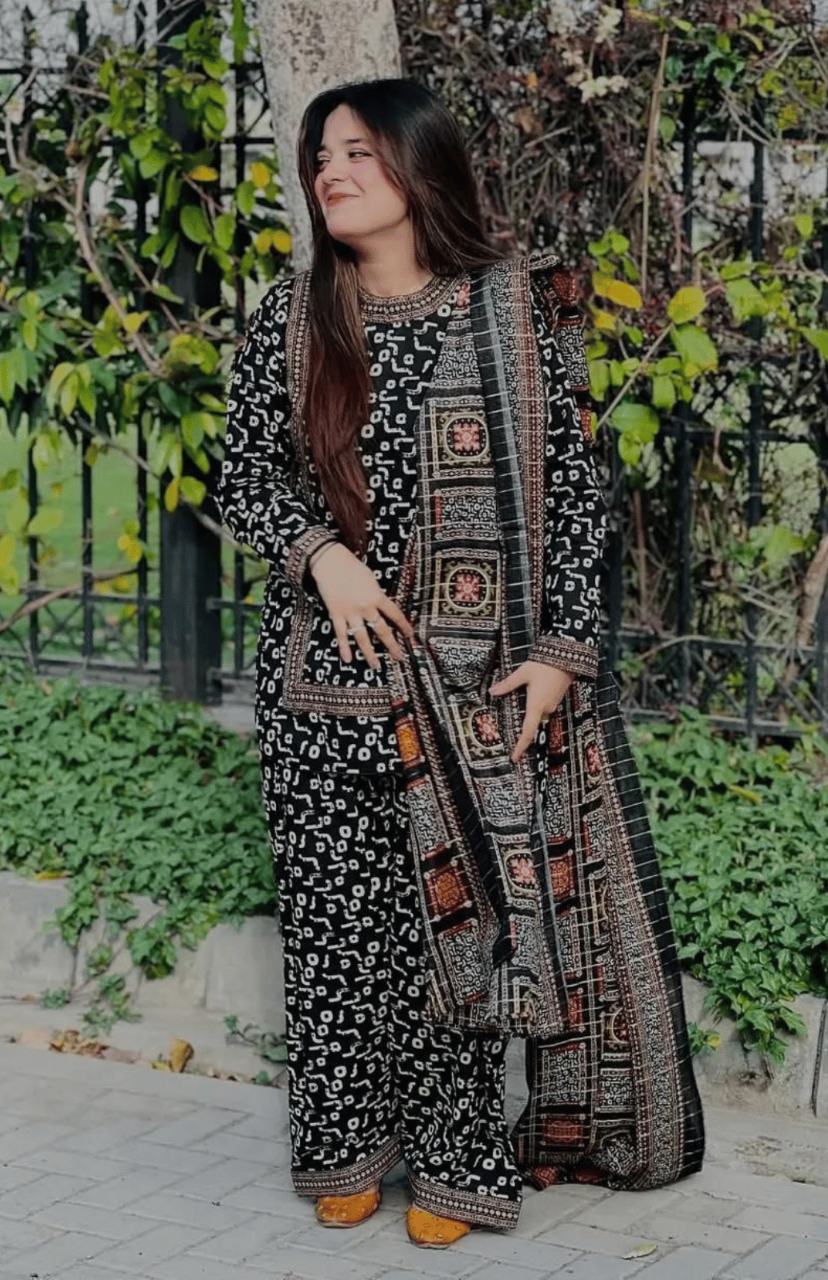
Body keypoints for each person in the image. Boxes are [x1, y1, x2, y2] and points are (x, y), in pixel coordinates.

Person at [216, 77, 704, 1250]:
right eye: (320, 155)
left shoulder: (510, 314)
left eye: (359, 153)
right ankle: (342, 1147)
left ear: (419, 169)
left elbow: (577, 499)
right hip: (323, 687)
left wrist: (559, 653)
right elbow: (243, 472)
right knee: (338, 931)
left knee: (465, 933)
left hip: (478, 690)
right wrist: (319, 555)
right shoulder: (291, 319)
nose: (332, 172)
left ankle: (456, 1160)